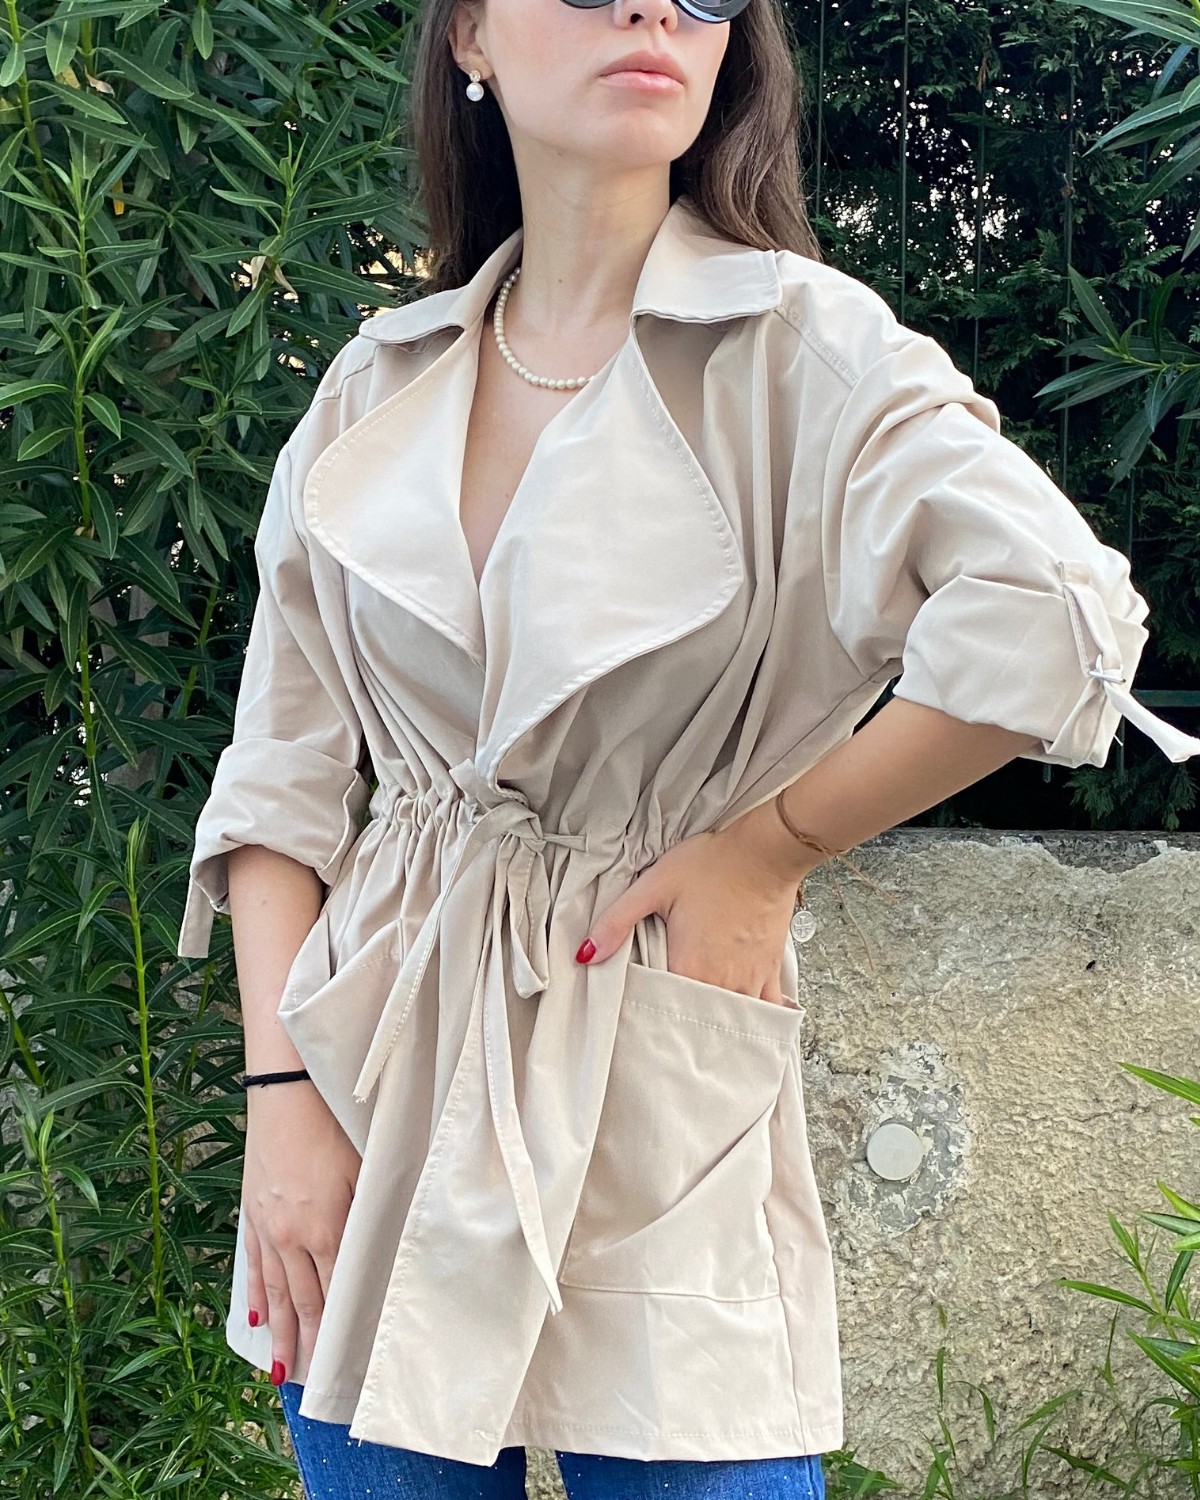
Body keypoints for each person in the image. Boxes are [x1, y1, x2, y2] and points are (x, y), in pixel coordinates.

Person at [176, 0, 1200, 1494]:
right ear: (469, 37)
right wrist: (281, 1110)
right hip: (371, 1084)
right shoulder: (376, 384)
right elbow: (282, 781)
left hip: (649, 1057)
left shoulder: (804, 351)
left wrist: (769, 848)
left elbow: (1054, 614)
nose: (654, 5)